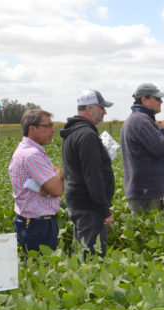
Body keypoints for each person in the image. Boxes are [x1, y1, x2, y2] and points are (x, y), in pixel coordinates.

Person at [60, 89, 115, 257]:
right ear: (90, 109)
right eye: (102, 107)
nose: (105, 111)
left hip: (79, 203)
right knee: (92, 258)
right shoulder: (87, 135)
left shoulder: (73, 133)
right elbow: (93, 176)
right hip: (89, 207)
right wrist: (104, 210)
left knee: (81, 254)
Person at [9, 109, 63, 256]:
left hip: (32, 223)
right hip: (37, 226)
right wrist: (57, 175)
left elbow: (55, 177)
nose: (53, 130)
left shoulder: (29, 150)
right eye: (48, 125)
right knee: (42, 269)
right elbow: (57, 189)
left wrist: (56, 174)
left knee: (37, 267)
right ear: (32, 128)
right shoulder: (32, 155)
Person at [121, 83, 164, 214]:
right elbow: (162, 148)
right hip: (150, 193)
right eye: (157, 98)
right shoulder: (142, 121)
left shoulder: (135, 119)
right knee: (158, 231)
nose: (161, 101)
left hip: (143, 191)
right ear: (144, 99)